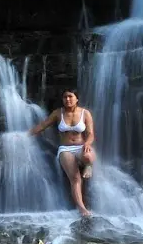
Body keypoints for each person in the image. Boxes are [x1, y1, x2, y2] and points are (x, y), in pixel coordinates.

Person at [28, 89, 96, 218]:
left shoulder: (85, 113)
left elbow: (91, 134)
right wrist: (24, 135)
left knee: (88, 156)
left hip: (82, 146)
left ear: (77, 99)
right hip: (65, 149)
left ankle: (88, 166)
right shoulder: (58, 113)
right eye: (65, 97)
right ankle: (82, 209)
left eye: (70, 96)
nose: (67, 99)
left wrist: (87, 143)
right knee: (75, 178)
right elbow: (42, 126)